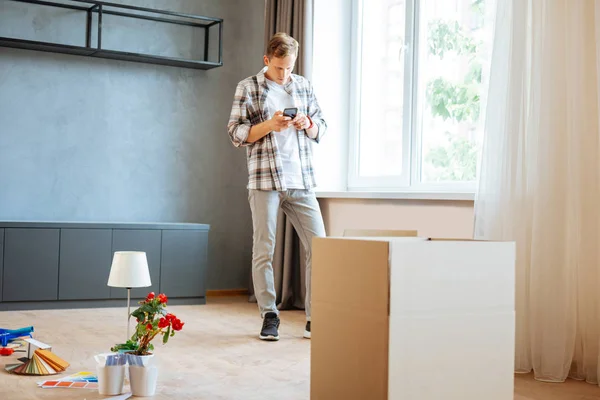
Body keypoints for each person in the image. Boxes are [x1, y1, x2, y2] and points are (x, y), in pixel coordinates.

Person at [227, 32, 327, 341]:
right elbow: (235, 133)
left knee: (321, 248)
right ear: (267, 60)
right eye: (279, 67)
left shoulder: (303, 86)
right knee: (264, 250)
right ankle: (269, 315)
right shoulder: (248, 87)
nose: (285, 74)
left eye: (290, 67)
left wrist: (306, 124)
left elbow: (321, 127)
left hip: (301, 181)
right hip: (265, 180)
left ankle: (315, 317)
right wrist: (271, 124)